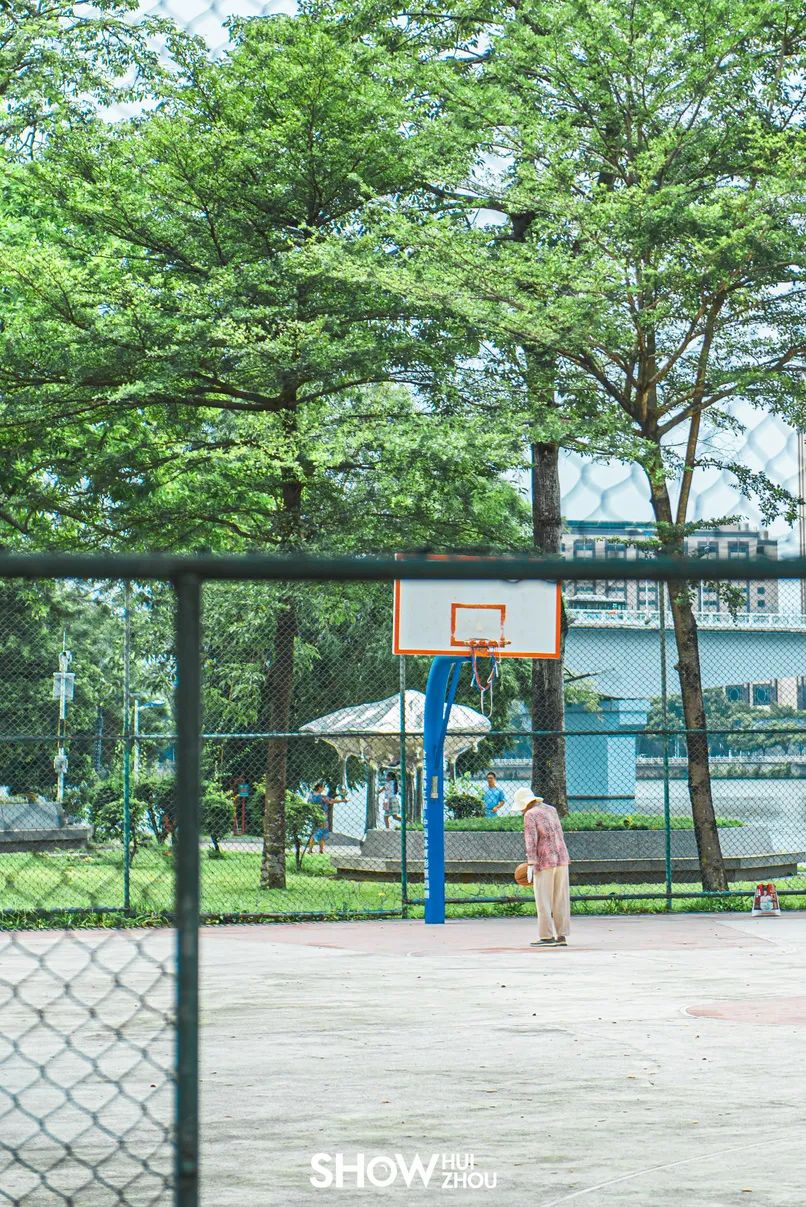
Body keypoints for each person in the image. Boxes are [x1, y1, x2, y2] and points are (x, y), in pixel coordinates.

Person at [514, 786, 571, 948]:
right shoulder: (551, 810)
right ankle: (562, 935)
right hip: (561, 858)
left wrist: (531, 863)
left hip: (544, 861)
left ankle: (546, 936)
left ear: (525, 804)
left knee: (543, 899)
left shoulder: (529, 815)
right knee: (561, 898)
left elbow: (531, 840)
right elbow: (559, 834)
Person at [305, 782, 342, 855]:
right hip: (322, 816)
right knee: (323, 832)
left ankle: (310, 850)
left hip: (314, 816)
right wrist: (342, 801)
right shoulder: (322, 797)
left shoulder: (311, 796)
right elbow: (331, 801)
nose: (323, 789)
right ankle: (321, 850)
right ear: (319, 788)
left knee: (313, 832)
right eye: (323, 787)